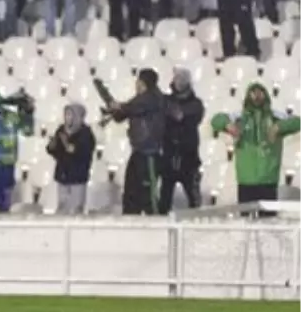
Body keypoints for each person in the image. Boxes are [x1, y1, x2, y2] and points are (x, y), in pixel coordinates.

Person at [211, 83, 301, 204]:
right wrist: (228, 125)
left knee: (268, 221)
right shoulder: (239, 117)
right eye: (254, 92)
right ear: (248, 95)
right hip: (246, 180)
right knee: (246, 219)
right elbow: (216, 120)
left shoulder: (275, 116)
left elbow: (297, 122)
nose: (257, 96)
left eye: (260, 92)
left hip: (269, 179)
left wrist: (279, 127)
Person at [107, 69, 166, 215]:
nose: (137, 85)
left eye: (140, 82)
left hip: (150, 154)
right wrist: (114, 110)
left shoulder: (153, 98)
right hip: (138, 151)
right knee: (131, 191)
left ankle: (155, 223)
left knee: (149, 193)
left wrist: (118, 106)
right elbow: (122, 114)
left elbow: (131, 107)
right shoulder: (139, 99)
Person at [160, 69, 205, 212]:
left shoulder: (196, 104)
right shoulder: (166, 101)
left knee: (193, 199)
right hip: (169, 156)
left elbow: (180, 115)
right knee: (164, 199)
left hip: (189, 158)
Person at [45, 103, 95, 214]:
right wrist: (52, 145)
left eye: (69, 114)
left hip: (77, 177)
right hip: (63, 176)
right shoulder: (61, 130)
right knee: (62, 207)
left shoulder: (86, 133)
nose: (66, 117)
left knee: (76, 209)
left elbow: (77, 151)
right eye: (66, 114)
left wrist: (66, 142)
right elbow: (55, 151)